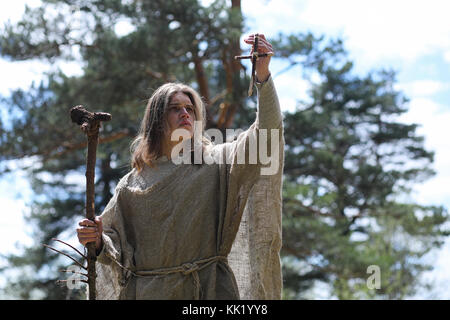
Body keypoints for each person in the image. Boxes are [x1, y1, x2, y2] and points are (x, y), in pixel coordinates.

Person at [76, 33, 284, 300]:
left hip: (208, 292)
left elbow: (266, 137)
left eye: (190, 108)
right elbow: (112, 246)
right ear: (156, 121)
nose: (185, 113)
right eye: (175, 108)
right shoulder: (131, 184)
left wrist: (263, 78)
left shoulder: (217, 162)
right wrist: (95, 239)